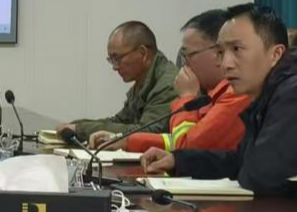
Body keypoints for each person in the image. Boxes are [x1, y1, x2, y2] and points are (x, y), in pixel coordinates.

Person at [142, 3, 297, 197]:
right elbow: (241, 160)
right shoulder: (271, 92)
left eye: (237, 49)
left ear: (275, 54)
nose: (226, 63)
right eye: (220, 52)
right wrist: (178, 160)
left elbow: (261, 177)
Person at [100, 9, 251, 153]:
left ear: (217, 53)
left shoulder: (235, 96)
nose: (185, 64)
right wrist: (127, 141)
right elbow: (174, 140)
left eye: (188, 55)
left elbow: (187, 149)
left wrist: (186, 98)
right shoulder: (210, 96)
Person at [57, 21, 178, 143]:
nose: (115, 67)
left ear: (143, 53)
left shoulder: (169, 84)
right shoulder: (143, 81)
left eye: (117, 58)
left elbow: (146, 132)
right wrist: (75, 126)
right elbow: (120, 121)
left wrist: (81, 129)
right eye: (111, 59)